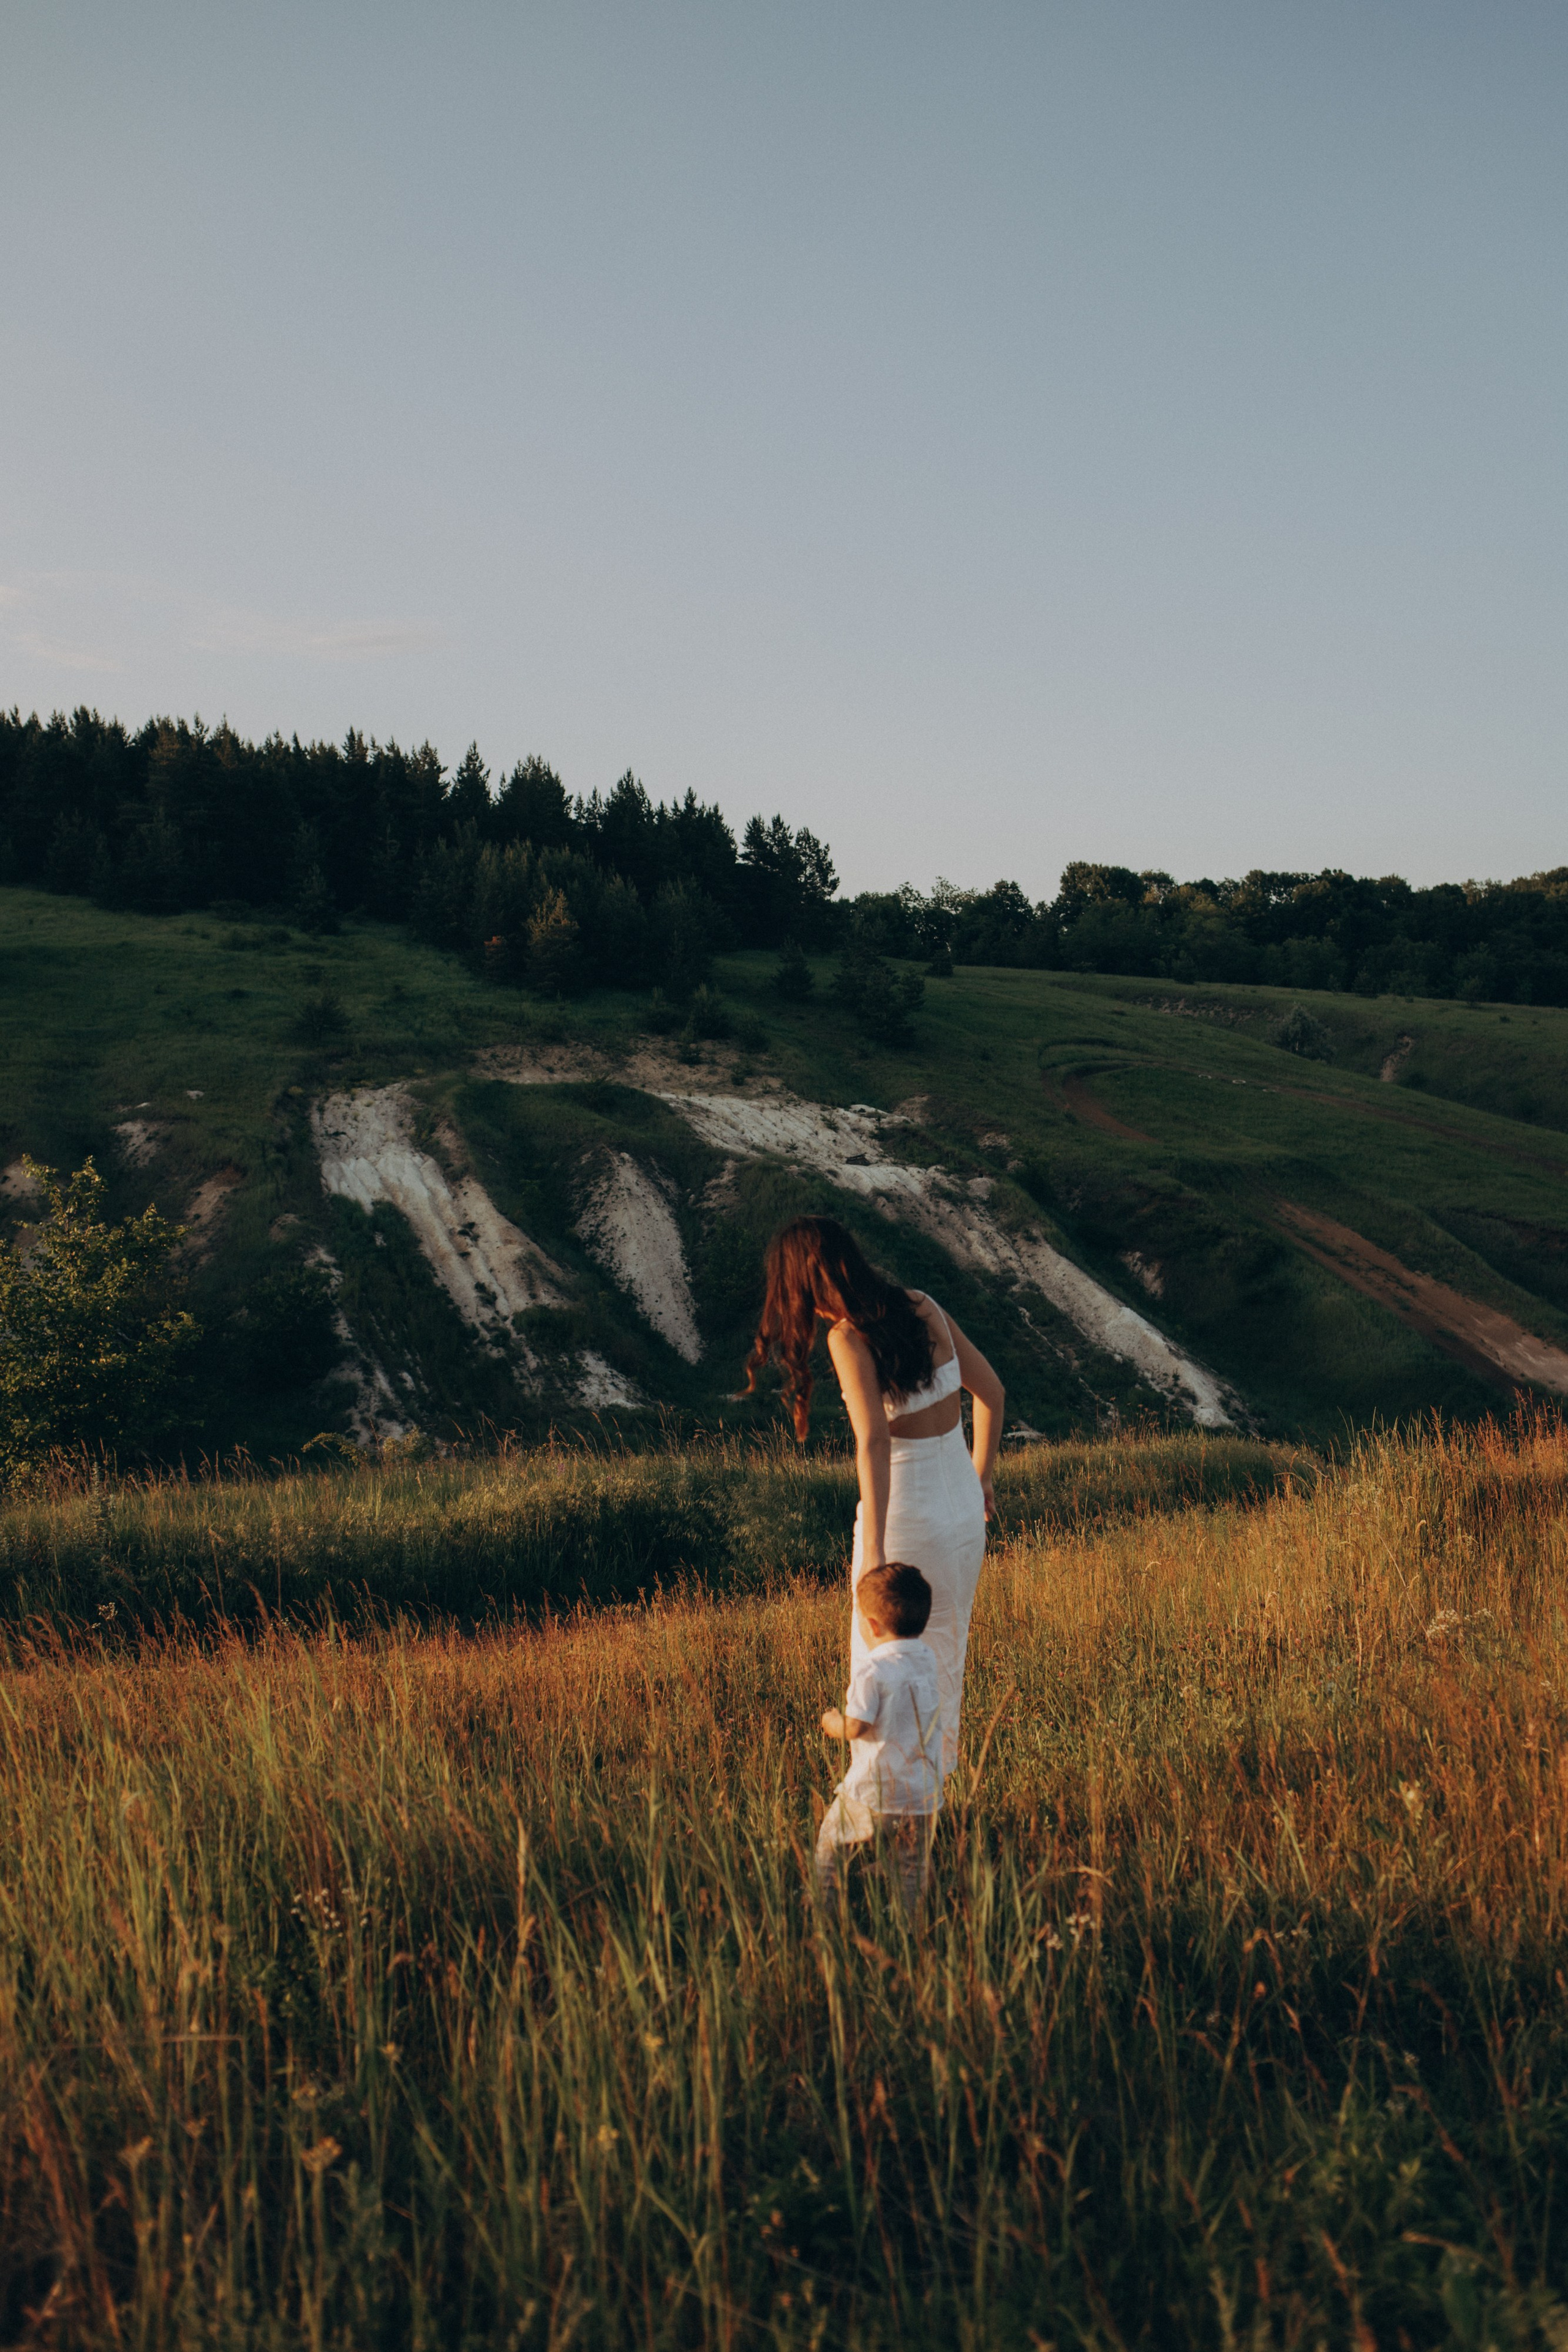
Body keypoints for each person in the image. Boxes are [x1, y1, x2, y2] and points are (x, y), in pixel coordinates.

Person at [746, 1214, 1005, 1780]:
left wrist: (875, 1551)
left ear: (804, 1283)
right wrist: (980, 1477)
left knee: (881, 1664)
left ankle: (885, 1799)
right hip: (962, 1512)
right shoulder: (924, 1305)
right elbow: (992, 1392)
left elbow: (874, 1442)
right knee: (945, 1660)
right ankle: (940, 1788)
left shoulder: (846, 1336)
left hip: (908, 1517)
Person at [816, 1562, 943, 1913]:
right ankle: (910, 1931)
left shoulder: (872, 1670)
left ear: (871, 1625)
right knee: (911, 1870)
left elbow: (857, 1726)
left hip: (876, 1791)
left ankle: (825, 1915)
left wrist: (832, 1722)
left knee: (831, 1848)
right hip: (922, 1793)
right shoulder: (927, 1659)